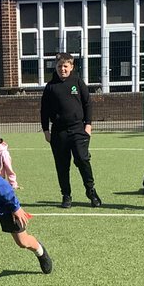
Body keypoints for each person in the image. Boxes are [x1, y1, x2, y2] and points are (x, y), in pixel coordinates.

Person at [40, 52, 101, 208]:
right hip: (58, 132)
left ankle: (91, 191)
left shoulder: (78, 82)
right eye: (60, 66)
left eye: (65, 66)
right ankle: (66, 195)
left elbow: (87, 103)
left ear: (71, 66)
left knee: (82, 159)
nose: (62, 69)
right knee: (62, 165)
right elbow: (44, 110)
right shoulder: (50, 87)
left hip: (78, 129)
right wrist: (46, 130)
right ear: (56, 67)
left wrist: (88, 124)